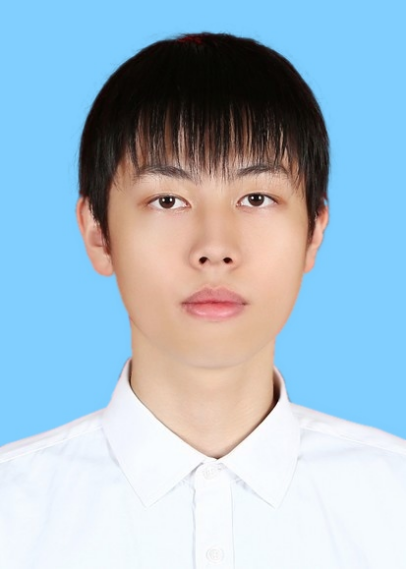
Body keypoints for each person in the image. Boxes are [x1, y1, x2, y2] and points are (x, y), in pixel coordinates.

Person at [1, 32, 405, 569]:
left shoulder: (394, 504)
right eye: (168, 200)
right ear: (98, 233)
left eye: (256, 197)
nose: (215, 247)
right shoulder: (13, 514)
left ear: (314, 232)